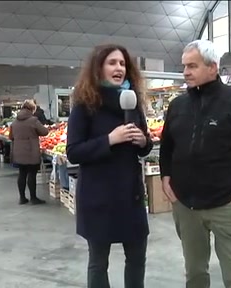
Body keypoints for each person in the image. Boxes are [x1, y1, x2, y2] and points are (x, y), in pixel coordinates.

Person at [159, 40, 231, 288]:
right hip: (186, 206)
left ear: (213, 67)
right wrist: (166, 177)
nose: (186, 71)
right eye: (184, 66)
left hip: (227, 206)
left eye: (192, 66)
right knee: (195, 275)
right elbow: (167, 145)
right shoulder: (178, 106)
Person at [66, 44, 153, 288]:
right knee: (98, 263)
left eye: (123, 64)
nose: (119, 68)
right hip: (98, 197)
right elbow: (73, 152)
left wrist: (143, 141)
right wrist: (109, 140)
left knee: (137, 258)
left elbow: (145, 146)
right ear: (99, 68)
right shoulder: (85, 105)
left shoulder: (132, 103)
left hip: (130, 195)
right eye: (112, 63)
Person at [9, 100, 50, 204]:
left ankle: (22, 198)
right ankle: (33, 198)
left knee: (22, 174)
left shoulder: (14, 122)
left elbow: (10, 136)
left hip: (18, 152)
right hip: (31, 152)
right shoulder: (33, 120)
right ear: (32, 109)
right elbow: (45, 132)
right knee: (32, 174)